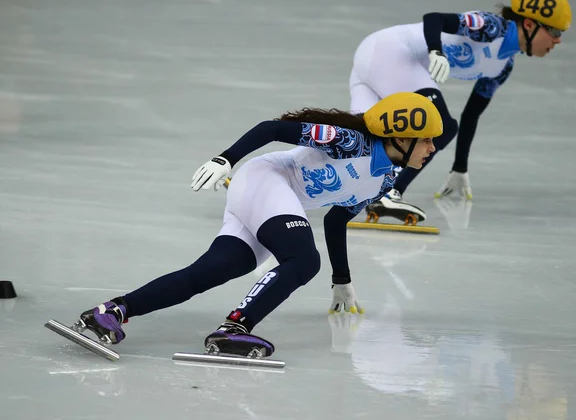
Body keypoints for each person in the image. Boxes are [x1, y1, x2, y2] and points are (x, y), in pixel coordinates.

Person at [71, 92, 443, 358]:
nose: (432, 149)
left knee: (206, 273)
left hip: (273, 200)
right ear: (400, 135)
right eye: (426, 140)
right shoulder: (350, 142)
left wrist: (342, 281)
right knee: (303, 261)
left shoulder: (385, 179)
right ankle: (235, 329)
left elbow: (336, 218)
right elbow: (272, 128)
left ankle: (110, 312)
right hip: (267, 181)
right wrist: (225, 159)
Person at [348, 0, 572, 222]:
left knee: (356, 140)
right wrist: (436, 51)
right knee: (438, 126)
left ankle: (313, 176)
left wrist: (460, 168)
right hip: (393, 52)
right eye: (554, 31)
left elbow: (470, 116)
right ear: (528, 24)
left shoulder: (502, 68)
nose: (558, 40)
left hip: (371, 56)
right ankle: (388, 192)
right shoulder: (492, 27)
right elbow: (435, 18)